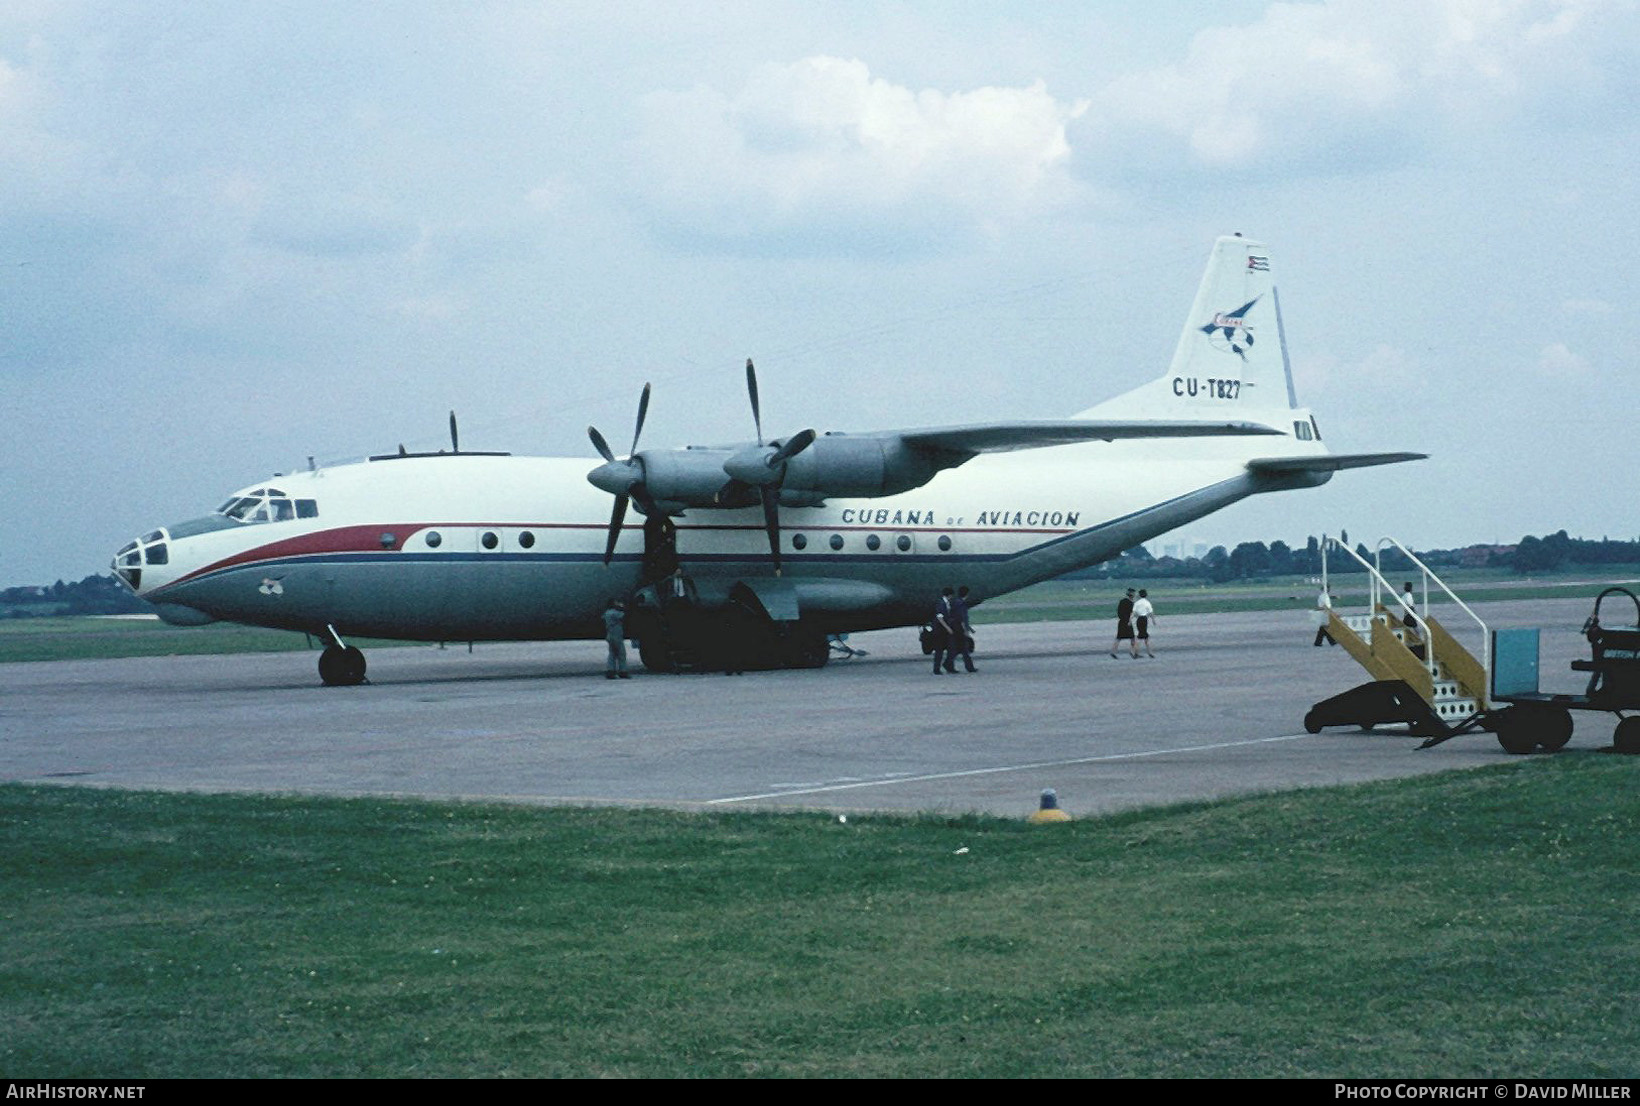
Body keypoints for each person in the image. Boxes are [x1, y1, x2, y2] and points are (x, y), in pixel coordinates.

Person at [948, 585, 977, 672]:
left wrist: (969, 628)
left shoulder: (955, 602)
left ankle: (950, 665)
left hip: (956, 627)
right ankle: (969, 667)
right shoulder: (961, 604)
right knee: (963, 648)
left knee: (960, 649)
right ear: (967, 594)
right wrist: (966, 630)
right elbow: (961, 618)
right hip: (960, 629)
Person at [602, 597, 631, 679]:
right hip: (617, 635)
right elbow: (625, 616)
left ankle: (610, 671)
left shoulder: (607, 613)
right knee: (621, 654)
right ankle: (623, 671)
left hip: (609, 635)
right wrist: (623, 607)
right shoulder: (615, 613)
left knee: (612, 654)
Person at [931, 587, 956, 674]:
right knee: (939, 650)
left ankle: (948, 666)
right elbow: (940, 617)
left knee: (951, 649)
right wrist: (948, 628)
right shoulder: (941, 604)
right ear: (949, 595)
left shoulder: (946, 603)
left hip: (944, 631)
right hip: (940, 631)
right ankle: (937, 669)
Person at [1111, 588, 1137, 658]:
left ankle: (1113, 651)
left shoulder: (1122, 601)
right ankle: (1133, 652)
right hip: (1127, 622)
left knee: (1119, 637)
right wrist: (1129, 621)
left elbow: (1118, 611)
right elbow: (1131, 614)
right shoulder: (1131, 603)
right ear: (1132, 595)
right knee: (1132, 638)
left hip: (1121, 621)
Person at [1132, 589, 1156, 657]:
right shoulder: (1147, 603)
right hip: (1144, 619)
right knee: (1143, 636)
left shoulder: (1137, 603)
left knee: (1144, 636)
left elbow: (1134, 612)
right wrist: (1153, 620)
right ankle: (1141, 653)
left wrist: (1130, 620)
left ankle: (1148, 653)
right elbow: (1151, 612)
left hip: (1139, 619)